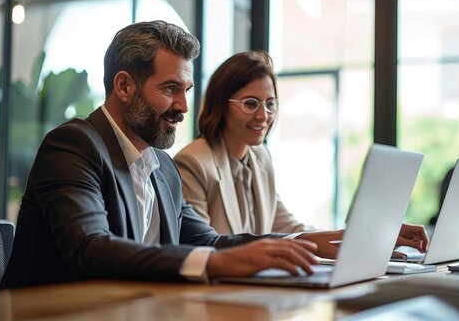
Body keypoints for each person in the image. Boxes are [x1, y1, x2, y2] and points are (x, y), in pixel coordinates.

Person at [0, 21, 347, 289]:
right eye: (170, 89)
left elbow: (207, 241)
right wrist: (211, 264)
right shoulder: (73, 145)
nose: (182, 106)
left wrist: (300, 242)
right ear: (123, 86)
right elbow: (91, 249)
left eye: (186, 90)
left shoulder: (162, 166)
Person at [173, 50, 428, 245]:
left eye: (270, 104)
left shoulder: (260, 158)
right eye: (251, 103)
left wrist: (367, 238)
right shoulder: (194, 162)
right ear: (220, 104)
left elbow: (289, 228)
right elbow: (203, 246)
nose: (264, 116)